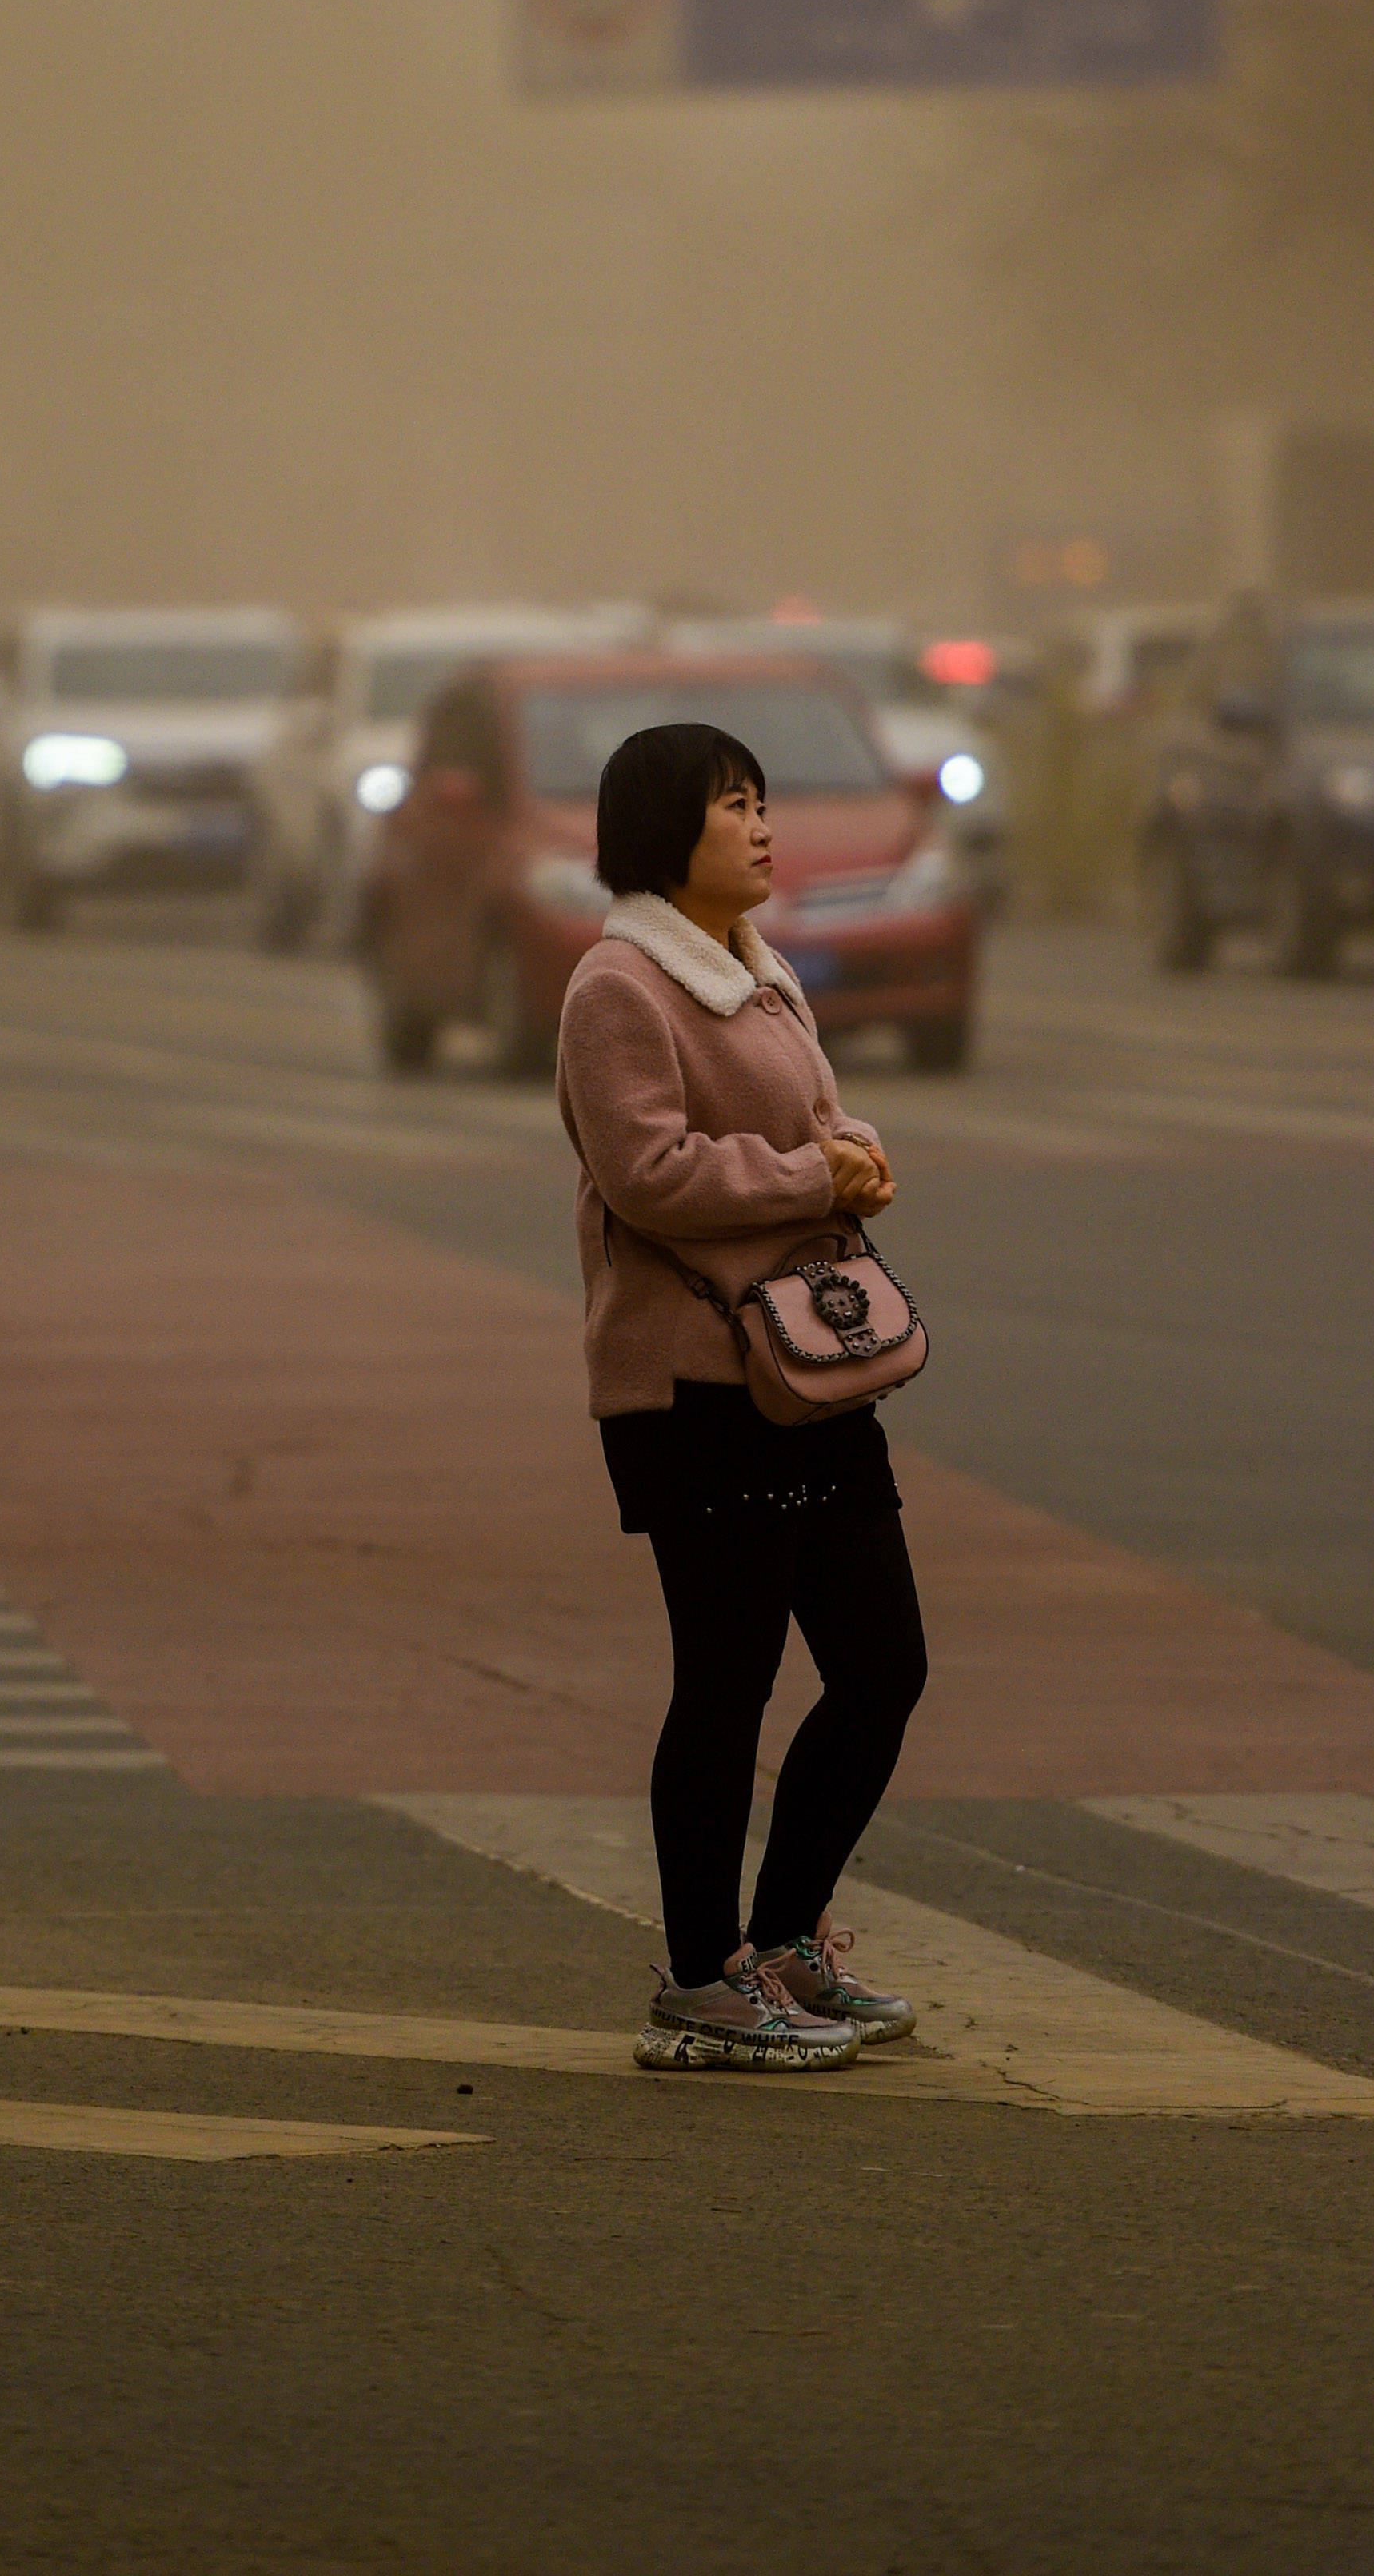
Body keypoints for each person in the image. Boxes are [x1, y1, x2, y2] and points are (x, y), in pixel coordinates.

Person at [555, 718, 929, 2072]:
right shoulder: (621, 989)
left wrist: (857, 1157)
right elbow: (651, 1176)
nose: (763, 827)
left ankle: (782, 1943)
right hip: (693, 1380)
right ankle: (700, 1976)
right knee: (727, 1679)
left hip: (802, 1367)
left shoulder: (756, 974)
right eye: (733, 806)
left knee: (884, 1666)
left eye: (763, 801)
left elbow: (814, 1120)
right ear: (667, 832)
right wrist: (811, 1179)